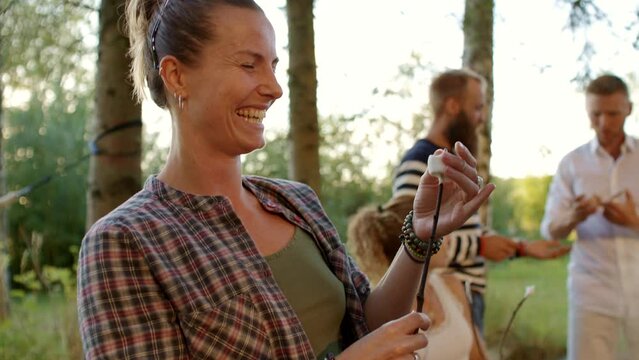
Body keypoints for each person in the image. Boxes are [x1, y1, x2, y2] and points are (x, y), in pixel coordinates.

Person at [76, 1, 495, 359]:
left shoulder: (295, 201)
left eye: (273, 66)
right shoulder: (122, 242)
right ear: (176, 76)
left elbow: (368, 323)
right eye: (247, 64)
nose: (275, 88)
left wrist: (419, 239)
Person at [392, 69, 571, 333]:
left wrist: (520, 247)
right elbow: (409, 241)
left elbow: (462, 230)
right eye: (477, 108)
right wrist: (480, 245)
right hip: (441, 305)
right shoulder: (419, 164)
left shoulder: (448, 162)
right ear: (452, 106)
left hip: (464, 298)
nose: (481, 118)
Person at [541, 74, 639, 360]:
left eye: (613, 114)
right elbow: (550, 231)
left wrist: (633, 221)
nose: (604, 123)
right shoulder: (572, 164)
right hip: (592, 294)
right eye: (596, 114)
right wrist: (573, 216)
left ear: (629, 109)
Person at [347, 195, 487, 360]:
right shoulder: (382, 312)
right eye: (440, 230)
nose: (450, 238)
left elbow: (477, 355)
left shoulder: (452, 284)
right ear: (413, 237)